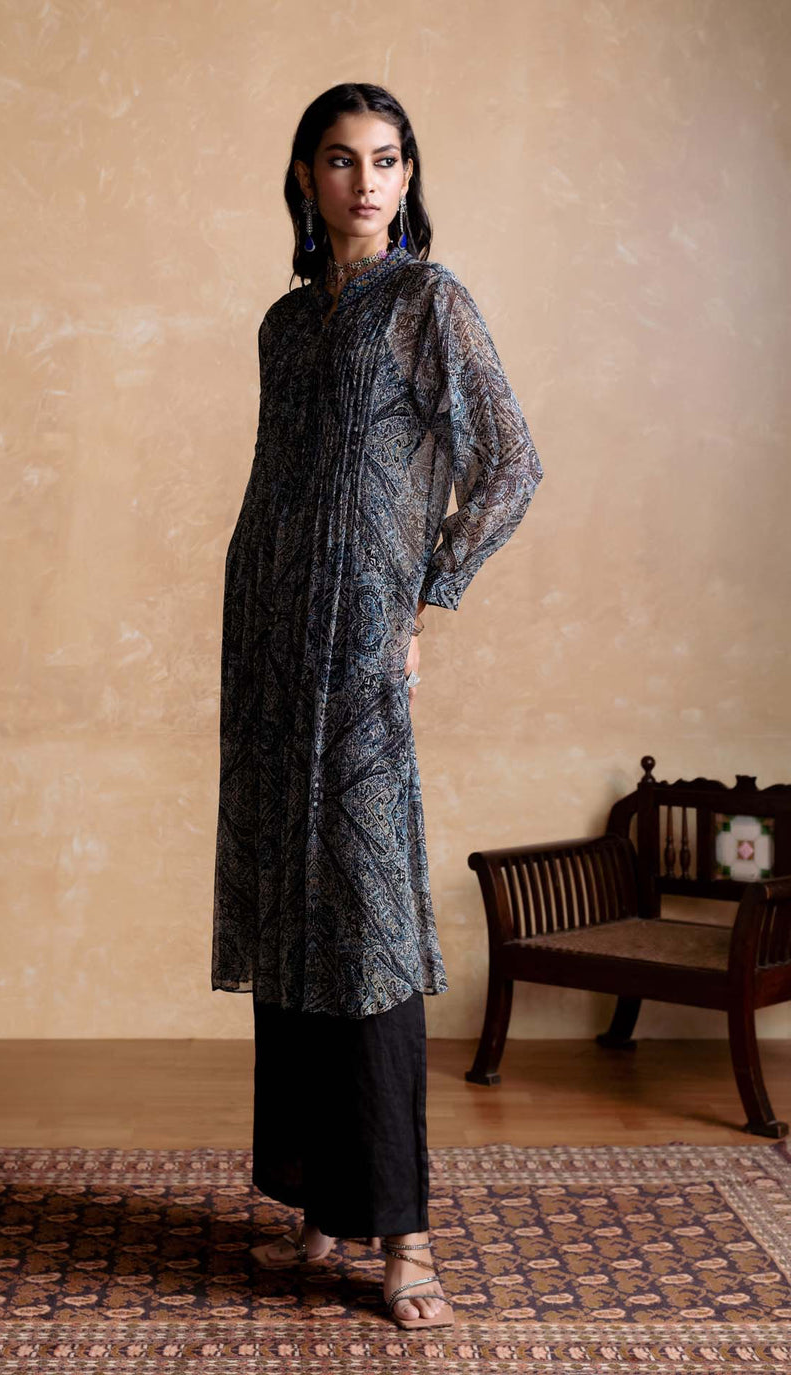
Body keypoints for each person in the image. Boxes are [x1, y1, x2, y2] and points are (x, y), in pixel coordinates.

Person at [211, 82, 544, 1331]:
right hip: (264, 648)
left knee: (370, 929)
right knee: (297, 918)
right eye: (342, 160)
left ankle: (403, 1239)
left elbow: (509, 462)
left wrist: (423, 601)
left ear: (409, 177)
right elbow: (279, 480)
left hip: (356, 654)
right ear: (304, 177)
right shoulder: (284, 326)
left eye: (387, 159)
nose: (366, 181)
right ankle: (316, 1205)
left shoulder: (429, 305)